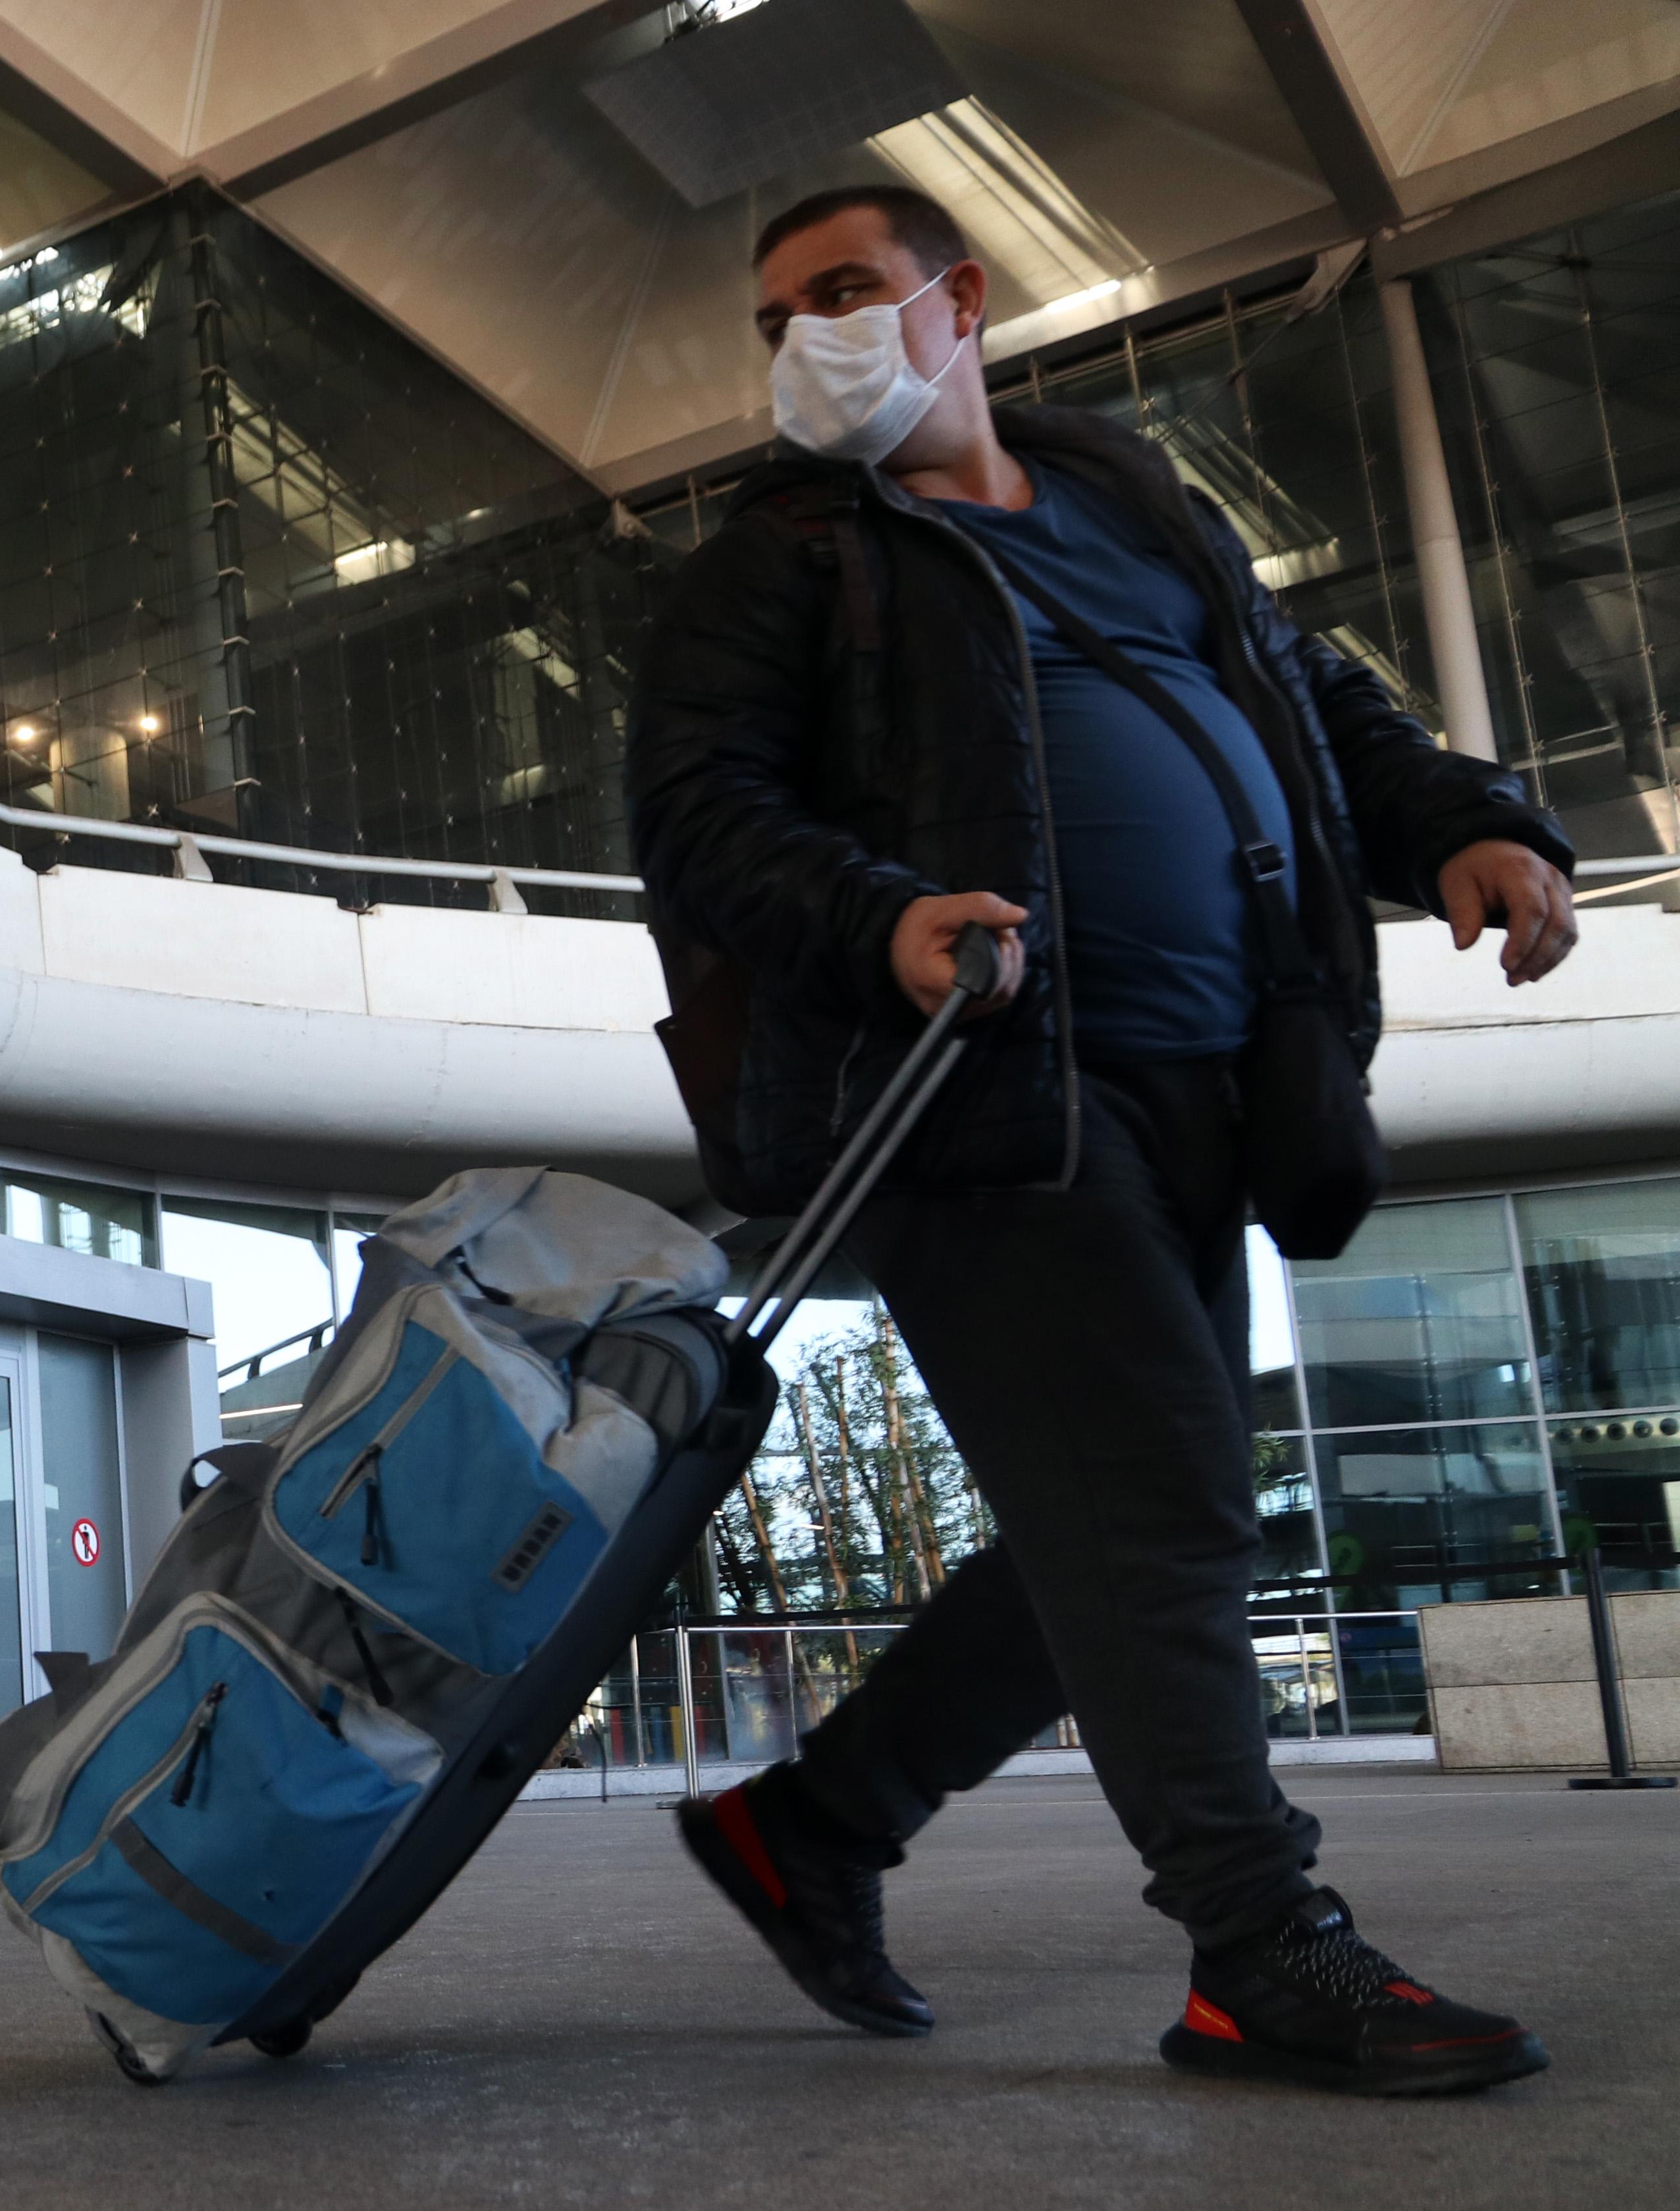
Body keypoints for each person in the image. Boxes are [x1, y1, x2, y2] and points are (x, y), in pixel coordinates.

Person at [630, 186, 1583, 2096]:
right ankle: (1258, 1950)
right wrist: (878, 909)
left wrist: (1464, 820)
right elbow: (699, 813)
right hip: (978, 1100)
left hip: (1207, 1086)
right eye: (773, 318)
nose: (802, 336)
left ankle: (815, 1823)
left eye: (842, 292)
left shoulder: (1128, 504)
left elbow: (1314, 708)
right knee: (1155, 1515)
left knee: (1142, 1520)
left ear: (955, 302)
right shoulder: (783, 561)